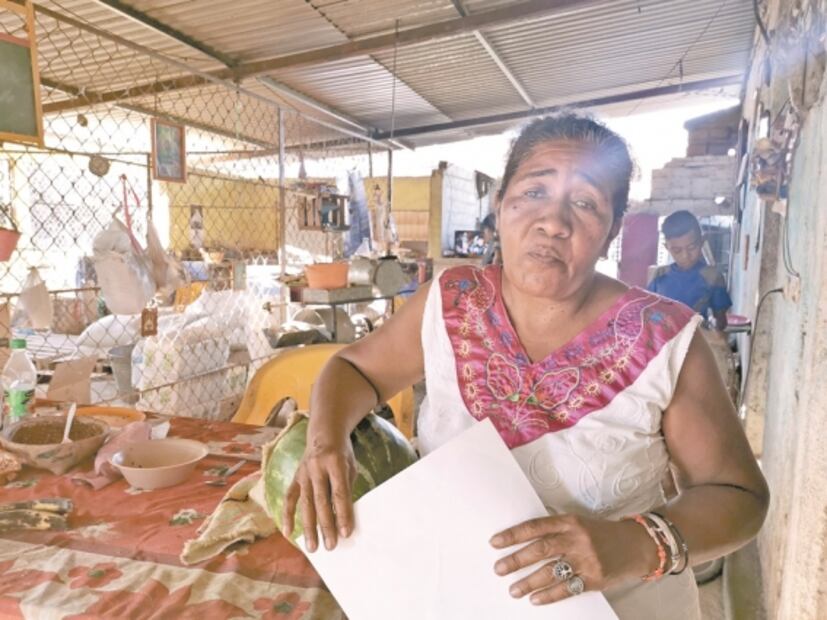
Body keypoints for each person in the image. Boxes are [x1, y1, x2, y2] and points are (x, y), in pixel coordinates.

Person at [282, 113, 768, 619]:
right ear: (500, 205)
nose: (554, 223)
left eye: (585, 204)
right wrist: (326, 442)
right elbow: (356, 370)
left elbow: (739, 496)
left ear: (611, 231)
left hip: (624, 607)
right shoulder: (450, 302)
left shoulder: (666, 338)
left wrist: (635, 544)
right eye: (535, 192)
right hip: (457, 597)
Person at [648, 210, 732, 331]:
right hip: (665, 343)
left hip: (697, 342)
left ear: (702, 241)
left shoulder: (712, 277)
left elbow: (721, 321)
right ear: (667, 247)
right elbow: (648, 312)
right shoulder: (660, 276)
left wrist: (708, 333)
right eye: (677, 250)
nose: (685, 256)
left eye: (692, 247)